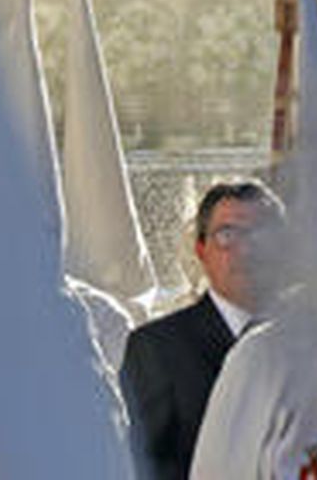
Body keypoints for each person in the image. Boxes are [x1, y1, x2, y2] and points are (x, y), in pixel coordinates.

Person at [119, 180, 287, 480]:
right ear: (201, 250)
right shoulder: (155, 348)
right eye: (227, 235)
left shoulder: (316, 348)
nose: (245, 249)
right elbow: (141, 467)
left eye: (261, 235)